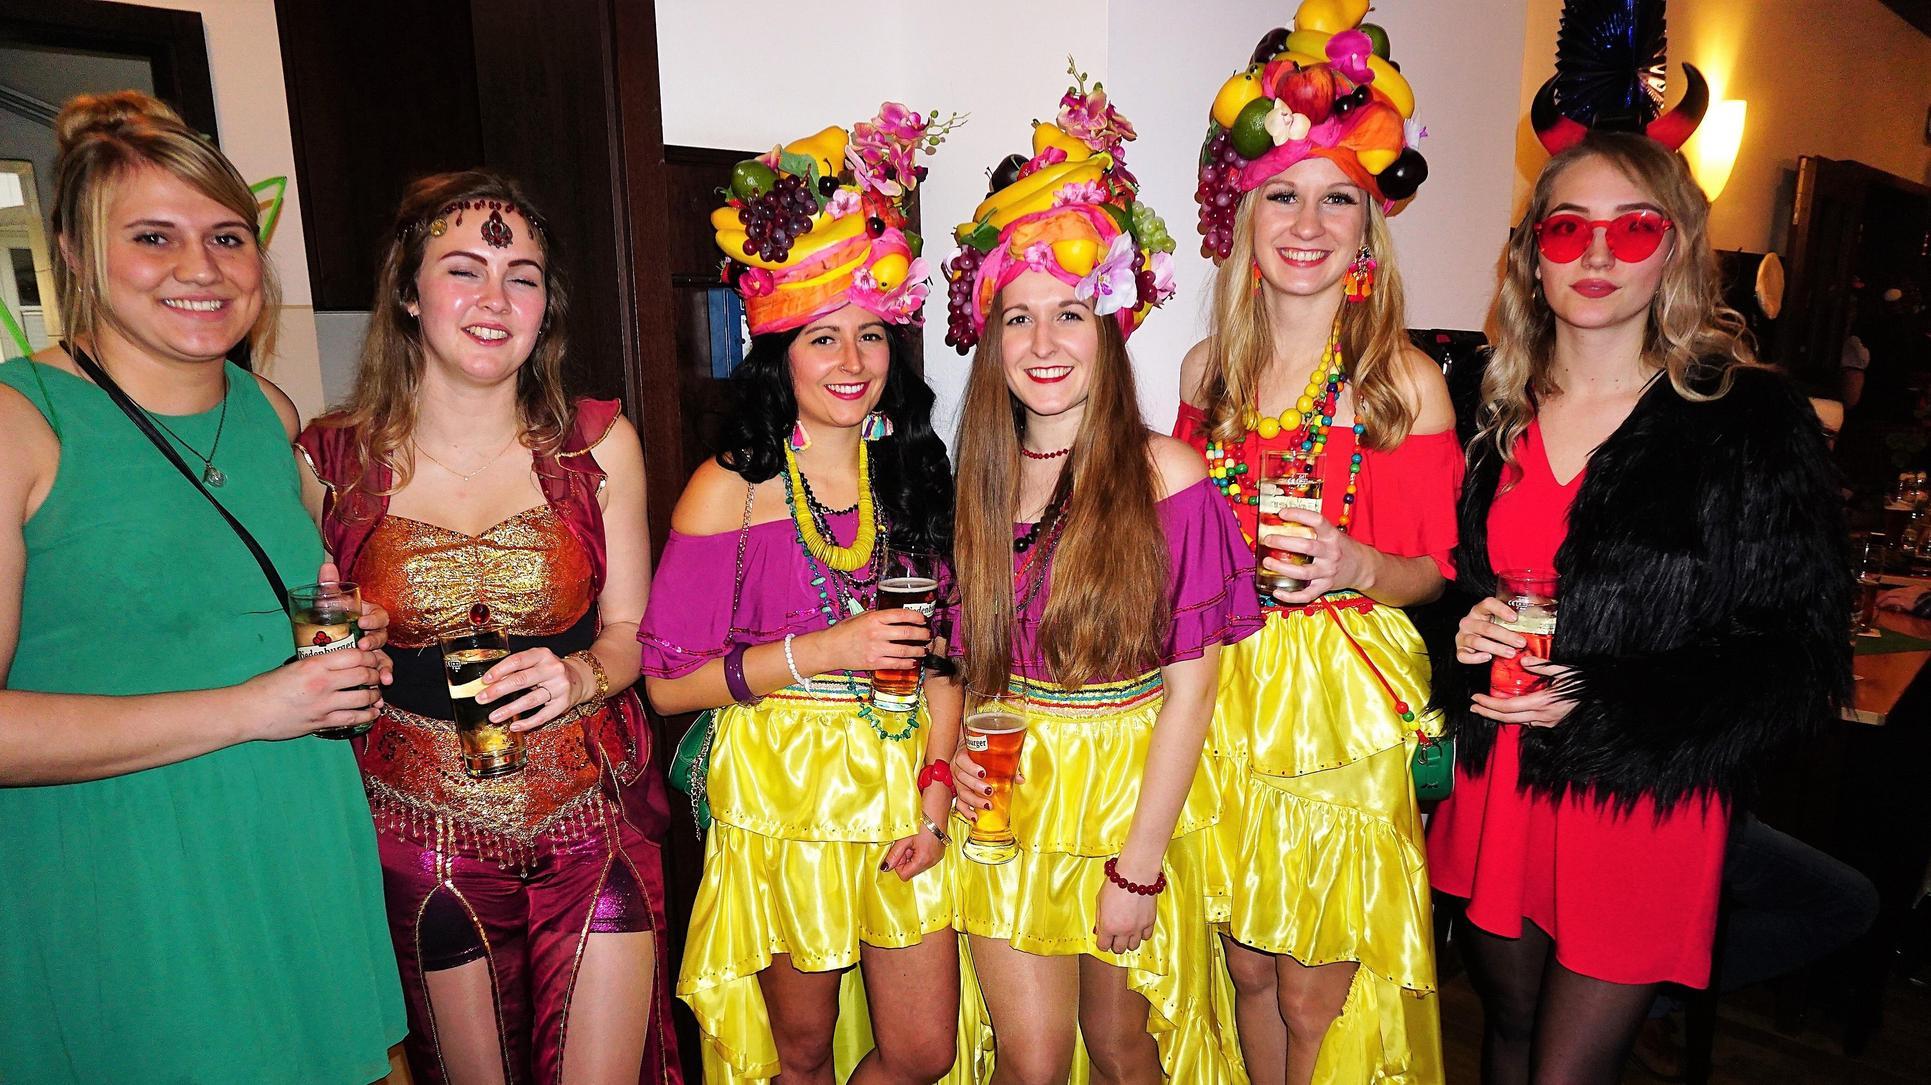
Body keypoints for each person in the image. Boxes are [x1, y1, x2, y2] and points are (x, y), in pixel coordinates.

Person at [1425, 129, 1850, 1084]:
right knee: (1508, 1028)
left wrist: (1602, 700)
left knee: (1567, 1070)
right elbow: (1446, 580)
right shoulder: (1489, 407)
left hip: (1639, 799)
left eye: (1632, 228)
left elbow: (1797, 655)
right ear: (1533, 255)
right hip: (1499, 782)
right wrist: (1461, 626)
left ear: (1675, 249)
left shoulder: (1744, 421)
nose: (1597, 254)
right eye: (1567, 228)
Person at [0, 91, 404, 1081]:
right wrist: (253, 705)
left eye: (227, 236)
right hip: (133, 887)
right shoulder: (21, 421)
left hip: (300, 845)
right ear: (75, 252)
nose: (201, 267)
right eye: (153, 236)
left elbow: (258, 606)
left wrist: (346, 637)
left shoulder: (270, 410)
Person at [297, 170, 676, 1084]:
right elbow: (310, 641)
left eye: (523, 277)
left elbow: (633, 630)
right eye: (464, 270)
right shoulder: (328, 462)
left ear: (548, 307)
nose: (495, 299)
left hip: (590, 815)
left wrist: (580, 675)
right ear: (407, 290)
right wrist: (342, 655)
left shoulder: (597, 444)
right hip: (419, 831)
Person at [942, 74, 1258, 1083]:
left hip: (1126, 800)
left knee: (1124, 1051)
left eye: (1069, 313)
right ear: (989, 339)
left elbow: (1192, 690)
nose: (1042, 344)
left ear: (1107, 326)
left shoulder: (1168, 474)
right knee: (1029, 1061)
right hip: (1006, 807)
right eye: (1018, 318)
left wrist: (1140, 865)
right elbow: (965, 666)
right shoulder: (977, 481)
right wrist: (952, 761)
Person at [640, 104, 963, 1085]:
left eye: (870, 335)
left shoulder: (913, 468)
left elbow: (946, 656)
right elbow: (666, 685)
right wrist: (824, 652)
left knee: (921, 1051)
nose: (852, 363)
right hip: (783, 792)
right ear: (778, 347)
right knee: (804, 1051)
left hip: (901, 781)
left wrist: (934, 792)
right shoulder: (727, 489)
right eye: (823, 337)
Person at [1174, 17, 1457, 1084]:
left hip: (1337, 699)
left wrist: (1353, 564)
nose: (1305, 223)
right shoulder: (1204, 371)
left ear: (1367, 229)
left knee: (1310, 989)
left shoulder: (1401, 382)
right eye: (1281, 195)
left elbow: (1430, 572)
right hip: (1219, 684)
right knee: (1243, 965)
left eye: (1336, 198)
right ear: (1244, 219)